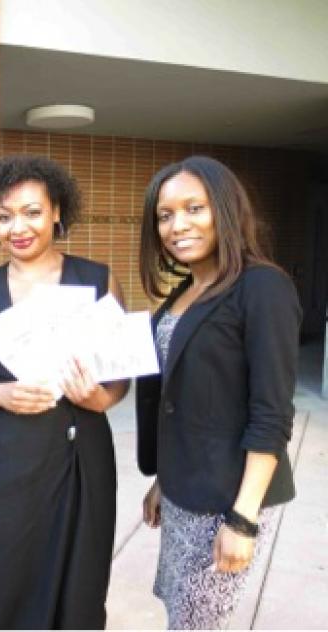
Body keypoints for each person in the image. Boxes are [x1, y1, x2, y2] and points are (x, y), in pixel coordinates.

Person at [0, 155, 129, 629]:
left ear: (56, 211)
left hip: (81, 458)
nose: (18, 227)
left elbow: (119, 376)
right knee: (2, 579)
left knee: (81, 583)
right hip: (4, 462)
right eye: (4, 216)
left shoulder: (96, 280)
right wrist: (0, 395)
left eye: (32, 212)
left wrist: (101, 399)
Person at [136, 155, 300, 629]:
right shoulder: (183, 292)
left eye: (194, 208)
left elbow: (271, 414)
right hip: (186, 489)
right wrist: (164, 478)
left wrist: (243, 520)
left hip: (229, 499)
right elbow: (182, 399)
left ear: (225, 211)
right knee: (180, 610)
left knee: (201, 621)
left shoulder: (261, 286)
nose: (176, 225)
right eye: (165, 215)